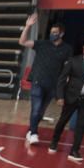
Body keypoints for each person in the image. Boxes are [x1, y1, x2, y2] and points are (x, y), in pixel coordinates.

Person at [48, 38, 84, 163]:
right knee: (63, 121)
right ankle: (54, 142)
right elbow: (62, 79)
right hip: (71, 97)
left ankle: (75, 150)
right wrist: (60, 96)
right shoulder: (74, 61)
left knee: (81, 126)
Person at [20, 14, 72, 145]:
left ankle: (31, 129)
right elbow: (22, 42)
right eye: (51, 32)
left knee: (41, 112)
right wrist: (27, 27)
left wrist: (65, 83)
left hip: (52, 84)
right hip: (38, 81)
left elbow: (67, 68)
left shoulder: (67, 49)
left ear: (62, 34)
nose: (52, 34)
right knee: (36, 108)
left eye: (55, 32)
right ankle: (33, 133)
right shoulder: (42, 44)